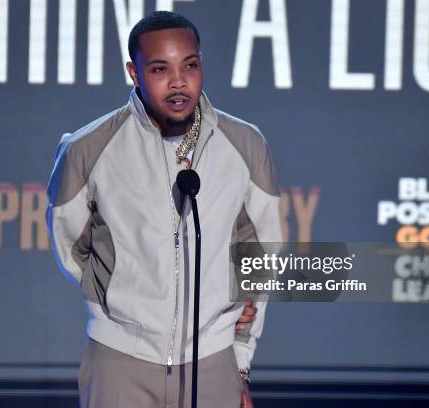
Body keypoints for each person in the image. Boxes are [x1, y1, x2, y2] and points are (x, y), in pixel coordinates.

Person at [46, 11, 282, 408]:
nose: (178, 82)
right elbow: (70, 245)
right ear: (134, 73)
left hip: (212, 363)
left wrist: (239, 362)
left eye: (190, 65)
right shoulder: (88, 148)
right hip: (120, 362)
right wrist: (119, 300)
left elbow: (260, 256)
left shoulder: (244, 144)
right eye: (160, 69)